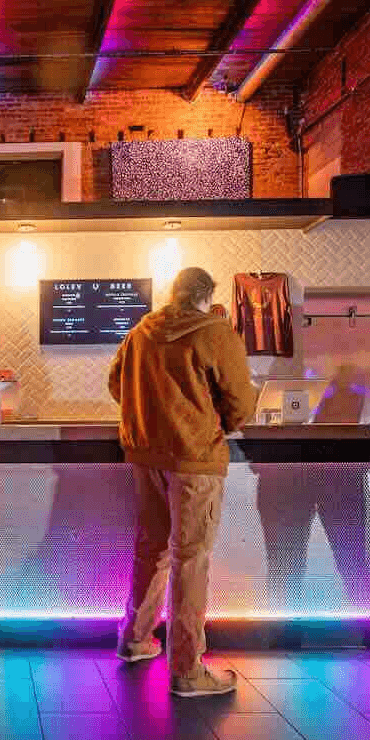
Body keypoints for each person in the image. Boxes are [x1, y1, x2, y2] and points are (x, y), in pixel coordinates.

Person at [108, 267, 258, 698]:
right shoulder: (214, 331)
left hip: (144, 455)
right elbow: (240, 401)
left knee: (151, 548)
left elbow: (116, 383)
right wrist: (214, 425)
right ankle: (188, 671)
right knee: (190, 559)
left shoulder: (141, 331)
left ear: (173, 295)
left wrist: (149, 417)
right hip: (195, 459)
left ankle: (136, 639)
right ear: (206, 297)